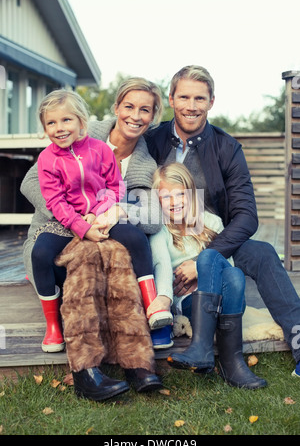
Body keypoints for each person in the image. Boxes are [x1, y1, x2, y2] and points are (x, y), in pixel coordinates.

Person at [145, 64, 300, 377]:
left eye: (200, 98)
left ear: (211, 102)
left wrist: (206, 258)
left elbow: (247, 215)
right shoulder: (150, 140)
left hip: (213, 239)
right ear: (172, 99)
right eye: (185, 97)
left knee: (263, 252)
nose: (192, 105)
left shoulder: (227, 148)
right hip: (165, 241)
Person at [20, 78, 167, 400]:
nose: (135, 115)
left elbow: (152, 219)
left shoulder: (140, 161)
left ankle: (136, 358)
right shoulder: (67, 144)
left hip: (104, 222)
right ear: (115, 109)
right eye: (128, 106)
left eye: (145, 110)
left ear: (154, 116)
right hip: (60, 227)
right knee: (84, 261)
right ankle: (86, 369)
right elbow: (34, 188)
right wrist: (78, 224)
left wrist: (112, 212)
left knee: (123, 253)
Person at [150, 163, 267, 389]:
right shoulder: (161, 230)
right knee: (214, 262)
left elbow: (227, 269)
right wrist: (165, 299)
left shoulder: (211, 222)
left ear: (191, 194)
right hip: (188, 303)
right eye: (166, 197)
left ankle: (206, 351)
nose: (174, 202)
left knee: (228, 271)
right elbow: (162, 267)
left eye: (180, 194)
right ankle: (229, 361)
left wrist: (198, 270)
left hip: (228, 300)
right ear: (158, 201)